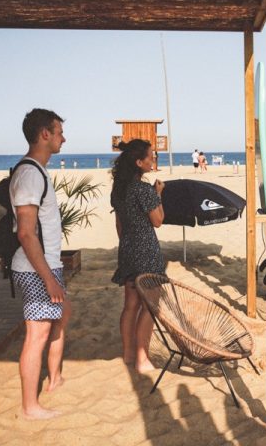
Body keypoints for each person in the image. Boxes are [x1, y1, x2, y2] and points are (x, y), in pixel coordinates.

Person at [10, 108, 70, 420]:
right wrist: (48, 277)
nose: (63, 138)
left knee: (58, 319)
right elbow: (25, 232)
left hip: (45, 266)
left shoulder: (36, 171)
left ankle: (55, 378)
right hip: (35, 269)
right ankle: (30, 407)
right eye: (59, 132)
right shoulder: (30, 174)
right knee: (37, 335)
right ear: (44, 134)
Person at [111, 139, 165, 374]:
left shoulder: (119, 190)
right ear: (138, 162)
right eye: (150, 156)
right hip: (146, 252)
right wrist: (158, 195)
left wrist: (128, 242)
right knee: (151, 306)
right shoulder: (143, 190)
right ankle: (142, 358)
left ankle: (129, 354)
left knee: (131, 305)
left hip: (128, 249)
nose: (153, 160)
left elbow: (119, 226)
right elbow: (158, 221)